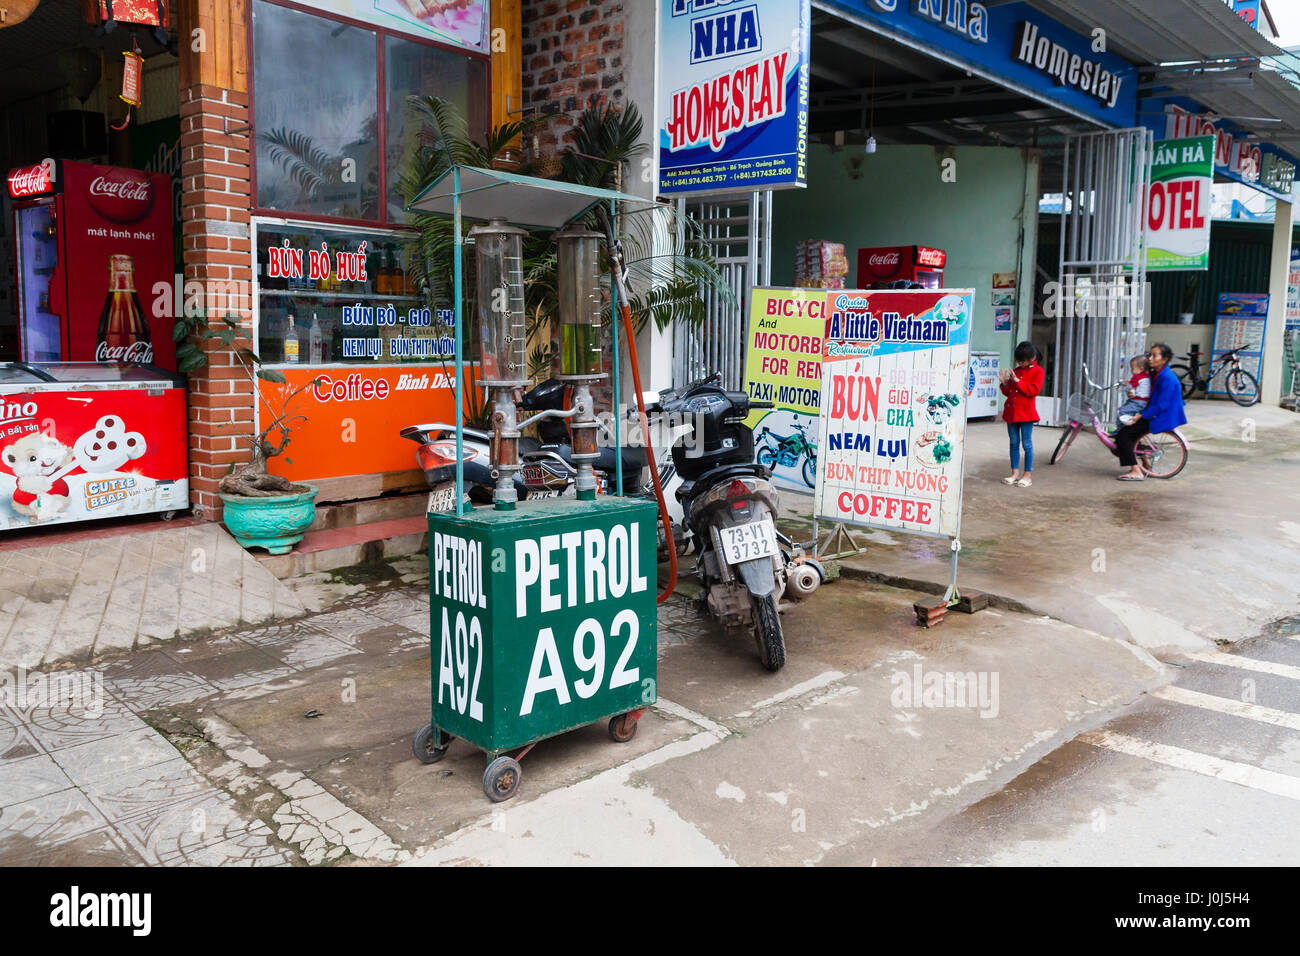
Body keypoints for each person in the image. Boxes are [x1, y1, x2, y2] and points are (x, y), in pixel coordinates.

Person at [1115, 342, 1187, 482]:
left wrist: (1141, 415)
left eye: (1154, 356)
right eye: (1150, 355)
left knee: (1123, 436)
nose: (1150, 358)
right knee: (1131, 433)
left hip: (1161, 416)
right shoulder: (1157, 374)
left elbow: (1162, 405)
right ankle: (1146, 464)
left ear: (1165, 359)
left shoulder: (1167, 378)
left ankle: (1136, 471)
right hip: (1154, 412)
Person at [999, 341, 1044, 487]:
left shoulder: (1038, 371)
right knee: (1013, 443)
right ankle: (1014, 474)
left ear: (1032, 358)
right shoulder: (1016, 371)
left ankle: (1027, 475)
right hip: (1012, 413)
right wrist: (1004, 384)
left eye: (1023, 360)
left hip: (1026, 415)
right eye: (1018, 361)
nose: (1020, 363)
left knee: (1026, 444)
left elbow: (1033, 391)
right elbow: (1009, 393)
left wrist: (1017, 381)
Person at [1114, 354, 1151, 428]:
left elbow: (1130, 386)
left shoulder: (1137, 377)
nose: (1131, 371)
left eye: (1132, 368)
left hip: (1137, 401)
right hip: (1146, 401)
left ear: (1141, 368)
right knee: (1132, 415)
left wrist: (1124, 384)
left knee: (1123, 412)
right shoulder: (1147, 376)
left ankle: (1120, 429)